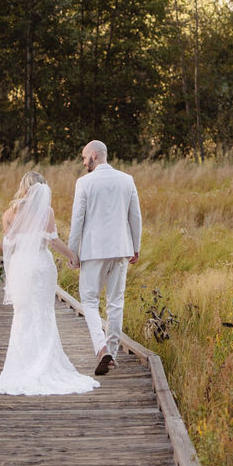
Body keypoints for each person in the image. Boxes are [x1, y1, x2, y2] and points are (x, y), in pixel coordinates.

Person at [0, 171, 99, 396]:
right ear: (41, 189)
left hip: (22, 268)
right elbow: (53, 242)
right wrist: (72, 255)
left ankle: (22, 365)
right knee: (44, 313)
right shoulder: (46, 211)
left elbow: (10, 248)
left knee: (23, 314)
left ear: (23, 188)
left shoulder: (9, 214)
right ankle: (44, 361)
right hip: (42, 266)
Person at [68, 140, 142, 376]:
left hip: (93, 251)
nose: (83, 162)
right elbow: (135, 217)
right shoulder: (126, 180)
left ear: (94, 156)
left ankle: (102, 349)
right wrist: (136, 246)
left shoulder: (84, 183)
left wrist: (73, 252)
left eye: (84, 157)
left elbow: (77, 219)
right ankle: (112, 352)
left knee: (89, 301)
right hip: (121, 248)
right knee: (115, 303)